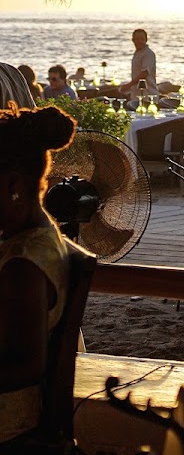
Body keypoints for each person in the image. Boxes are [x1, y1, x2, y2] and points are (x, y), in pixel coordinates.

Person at [0, 103, 75, 448]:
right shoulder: (37, 232)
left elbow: (28, 366)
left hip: (9, 424)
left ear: (12, 183)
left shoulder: (23, 265)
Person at [118, 29, 156, 98]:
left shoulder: (148, 54)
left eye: (142, 39)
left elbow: (144, 73)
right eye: (137, 39)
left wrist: (128, 85)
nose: (139, 41)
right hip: (136, 94)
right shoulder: (137, 53)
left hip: (148, 95)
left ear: (146, 40)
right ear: (133, 40)